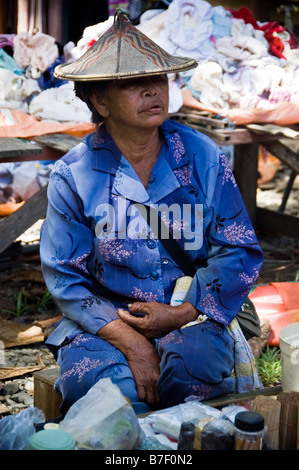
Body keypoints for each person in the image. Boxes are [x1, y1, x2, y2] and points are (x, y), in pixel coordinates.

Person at [40, 12, 264, 416]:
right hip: (108, 322)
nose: (151, 90)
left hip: (191, 313)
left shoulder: (203, 158)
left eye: (158, 79)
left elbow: (239, 251)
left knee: (195, 377)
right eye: (132, 82)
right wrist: (133, 343)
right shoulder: (74, 175)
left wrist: (183, 311)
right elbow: (65, 277)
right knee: (106, 399)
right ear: (99, 100)